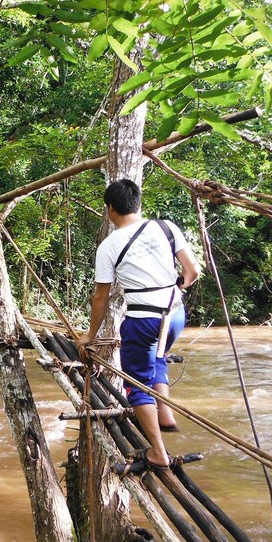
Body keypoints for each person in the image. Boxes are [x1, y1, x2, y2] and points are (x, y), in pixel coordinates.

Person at [77, 179, 201, 472]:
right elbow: (192, 271)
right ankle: (165, 414)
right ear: (138, 204)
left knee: (137, 387)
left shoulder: (108, 247)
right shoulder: (167, 227)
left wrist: (89, 336)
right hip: (175, 314)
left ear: (110, 209)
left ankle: (158, 452)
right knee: (158, 358)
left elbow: (101, 297)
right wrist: (172, 291)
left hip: (143, 321)